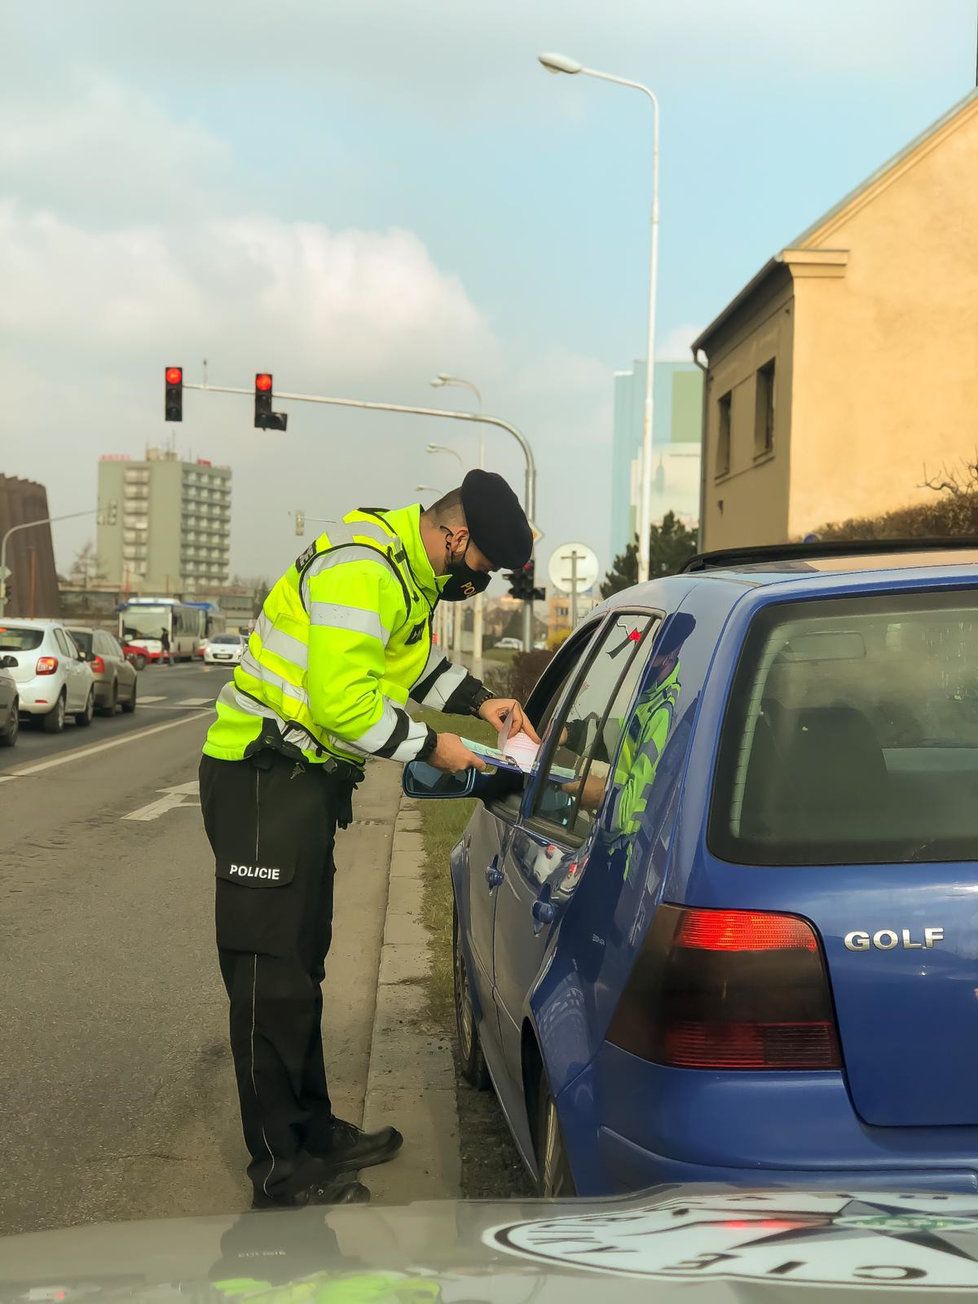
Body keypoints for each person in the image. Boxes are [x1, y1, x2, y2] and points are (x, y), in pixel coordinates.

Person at [199, 470, 538, 1210]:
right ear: (456, 536)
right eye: (481, 565)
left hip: (302, 782)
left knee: (302, 965)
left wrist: (485, 703)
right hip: (262, 774)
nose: (478, 582)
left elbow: (408, 663)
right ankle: (283, 1171)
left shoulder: (402, 571)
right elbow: (344, 703)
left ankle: (315, 1133)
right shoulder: (362, 568)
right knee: (271, 979)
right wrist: (433, 748)